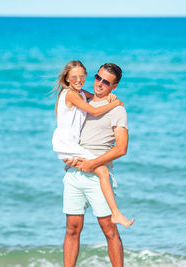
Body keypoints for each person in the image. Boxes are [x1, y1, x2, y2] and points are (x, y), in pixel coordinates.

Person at [60, 62, 132, 267]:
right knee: (72, 229)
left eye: (106, 82)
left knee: (109, 230)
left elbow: (121, 149)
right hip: (74, 174)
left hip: (98, 177)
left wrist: (93, 163)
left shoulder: (118, 111)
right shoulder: (83, 98)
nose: (100, 84)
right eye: (97, 78)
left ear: (114, 86)